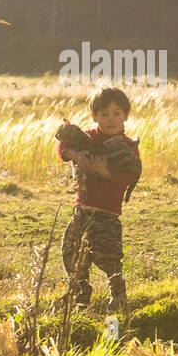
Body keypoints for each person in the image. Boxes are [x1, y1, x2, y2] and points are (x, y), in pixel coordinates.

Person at [56, 87, 141, 309]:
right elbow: (63, 143)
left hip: (108, 213)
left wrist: (105, 172)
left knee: (109, 257)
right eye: (104, 113)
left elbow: (128, 176)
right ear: (94, 116)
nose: (110, 119)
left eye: (116, 113)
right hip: (82, 210)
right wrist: (76, 156)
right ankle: (80, 297)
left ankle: (118, 296)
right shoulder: (85, 139)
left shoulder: (127, 147)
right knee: (72, 252)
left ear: (125, 116)